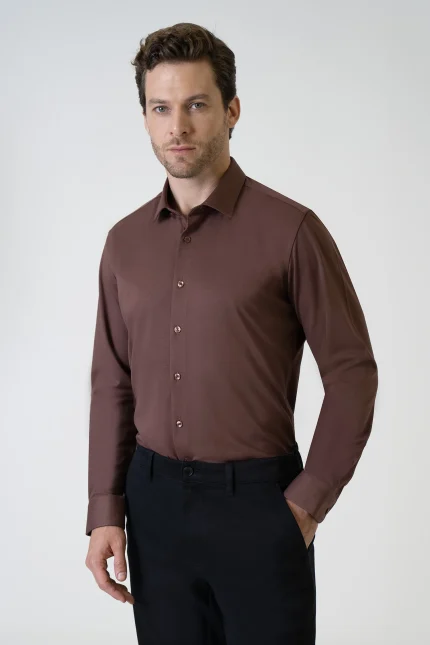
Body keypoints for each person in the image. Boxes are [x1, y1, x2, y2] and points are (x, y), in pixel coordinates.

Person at [84, 22, 378, 645]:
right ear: (145, 118)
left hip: (260, 506)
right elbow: (113, 381)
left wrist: (304, 504)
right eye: (160, 108)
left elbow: (352, 372)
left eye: (196, 105)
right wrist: (106, 509)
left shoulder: (292, 231)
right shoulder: (124, 243)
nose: (178, 127)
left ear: (231, 110)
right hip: (153, 506)